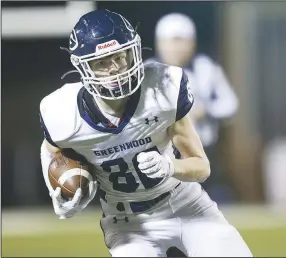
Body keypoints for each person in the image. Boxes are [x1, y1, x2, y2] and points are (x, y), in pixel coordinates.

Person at [39, 9, 252, 257]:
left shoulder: (163, 88)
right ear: (84, 68)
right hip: (128, 223)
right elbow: (50, 150)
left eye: (120, 56)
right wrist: (59, 193)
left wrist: (170, 166)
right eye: (102, 62)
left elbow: (202, 167)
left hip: (186, 205)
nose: (115, 68)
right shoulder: (62, 112)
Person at [145, 13, 239, 202]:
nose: (176, 48)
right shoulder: (147, 71)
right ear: (160, 43)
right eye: (171, 41)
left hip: (202, 147)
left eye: (181, 41)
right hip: (162, 150)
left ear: (192, 43)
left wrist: (206, 112)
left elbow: (230, 105)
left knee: (205, 204)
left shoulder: (207, 68)